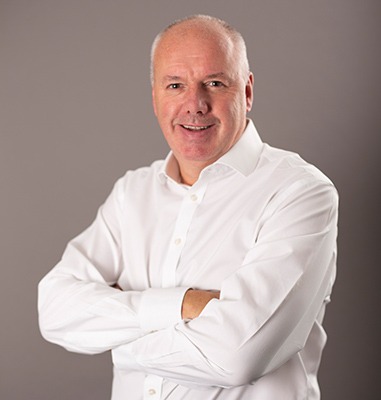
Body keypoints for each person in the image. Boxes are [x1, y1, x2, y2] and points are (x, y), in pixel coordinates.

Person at [38, 14, 338, 400]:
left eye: (214, 83)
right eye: (175, 85)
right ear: (155, 97)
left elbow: (235, 356)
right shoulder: (132, 192)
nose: (195, 104)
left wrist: (116, 336)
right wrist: (186, 305)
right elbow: (54, 311)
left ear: (247, 91)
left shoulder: (299, 192)